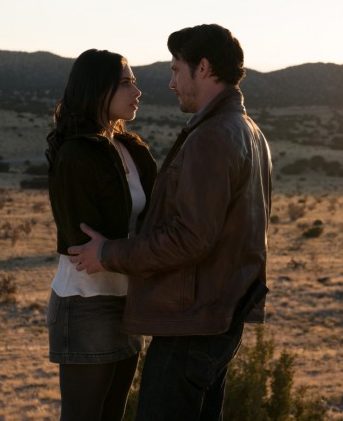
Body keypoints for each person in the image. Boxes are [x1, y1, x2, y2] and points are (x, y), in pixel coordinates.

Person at [68, 25, 272, 420]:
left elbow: (189, 238)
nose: (171, 82)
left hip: (191, 324)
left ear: (204, 68)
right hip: (218, 318)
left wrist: (109, 253)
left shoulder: (213, 136)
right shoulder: (249, 131)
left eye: (177, 69)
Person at [44, 49, 157, 421]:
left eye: (134, 82)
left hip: (128, 299)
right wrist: (139, 250)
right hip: (86, 301)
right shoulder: (76, 154)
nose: (136, 91)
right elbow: (85, 244)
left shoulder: (130, 149)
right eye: (125, 83)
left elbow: (151, 221)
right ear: (97, 88)